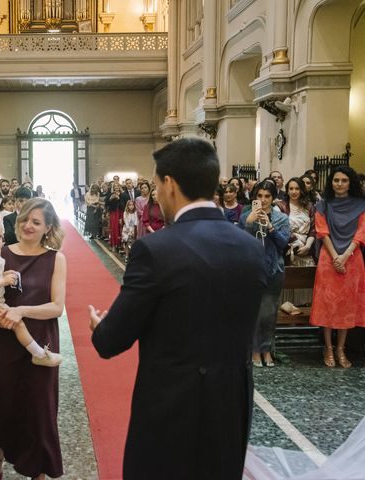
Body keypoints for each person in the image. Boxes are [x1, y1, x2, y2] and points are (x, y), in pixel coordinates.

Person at [89, 138, 266, 480]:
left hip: (171, 405)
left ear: (169, 184)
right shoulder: (249, 247)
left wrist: (102, 326)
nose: (155, 194)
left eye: (156, 185)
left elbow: (112, 342)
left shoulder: (156, 249)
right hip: (231, 400)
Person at [0, 198, 66, 479]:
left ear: (48, 227)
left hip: (39, 342)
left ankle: (38, 470)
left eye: (36, 222)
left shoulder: (55, 259)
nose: (28, 225)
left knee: (39, 407)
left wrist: (22, 310)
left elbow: (57, 307)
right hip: (2, 342)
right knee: (2, 401)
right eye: (25, 219)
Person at [0, 215, 62, 367]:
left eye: (0, 236)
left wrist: (2, 276)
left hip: (41, 329)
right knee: (18, 325)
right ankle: (39, 354)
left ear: (47, 228)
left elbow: (58, 307)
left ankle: (39, 354)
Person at [310, 166, 365, 368]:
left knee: (346, 306)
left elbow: (361, 233)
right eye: (336, 180)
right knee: (328, 306)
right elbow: (322, 232)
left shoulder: (361, 204)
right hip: (329, 258)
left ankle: (341, 348)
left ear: (350, 182)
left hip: (352, 258)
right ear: (331, 182)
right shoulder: (323, 204)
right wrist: (336, 258)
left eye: (343, 180)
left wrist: (345, 257)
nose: (339, 184)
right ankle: (328, 348)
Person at [240, 180, 290, 368]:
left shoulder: (281, 218)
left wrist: (269, 227)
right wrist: (248, 224)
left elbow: (282, 244)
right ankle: (253, 350)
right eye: (259, 196)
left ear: (273, 198)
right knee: (253, 312)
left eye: (267, 196)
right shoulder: (246, 216)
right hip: (250, 270)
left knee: (269, 313)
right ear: (254, 197)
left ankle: (266, 349)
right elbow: (237, 242)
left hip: (273, 269)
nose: (263, 200)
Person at [281, 177, 316, 267]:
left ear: (301, 190)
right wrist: (297, 243)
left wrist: (307, 246)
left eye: (297, 189)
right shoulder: (281, 206)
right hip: (288, 249)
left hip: (307, 249)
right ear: (287, 191)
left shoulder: (309, 206)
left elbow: (313, 228)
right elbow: (282, 229)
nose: (294, 192)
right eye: (291, 189)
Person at [106, 183, 124, 252]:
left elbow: (123, 205)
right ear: (113, 188)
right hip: (113, 213)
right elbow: (106, 204)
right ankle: (113, 244)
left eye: (117, 186)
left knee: (120, 228)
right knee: (113, 228)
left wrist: (118, 198)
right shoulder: (110, 194)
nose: (116, 187)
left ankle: (120, 245)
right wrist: (111, 198)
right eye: (115, 186)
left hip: (120, 213)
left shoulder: (122, 194)